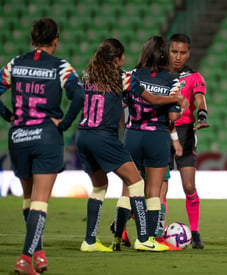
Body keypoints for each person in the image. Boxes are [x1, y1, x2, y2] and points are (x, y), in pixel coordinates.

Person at [77, 38, 186, 253]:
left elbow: (121, 102)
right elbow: (157, 103)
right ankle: (145, 238)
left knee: (101, 187)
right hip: (128, 136)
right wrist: (177, 99)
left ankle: (93, 240)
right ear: (117, 58)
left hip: (87, 135)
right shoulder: (125, 77)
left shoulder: (89, 74)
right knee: (140, 185)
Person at [0, 18, 85, 274]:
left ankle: (37, 253)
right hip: (46, 136)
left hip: (18, 137)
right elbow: (79, 95)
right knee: (40, 201)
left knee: (29, 199)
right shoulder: (61, 67)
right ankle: (25, 258)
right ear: (55, 40)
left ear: (32, 38)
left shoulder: (15, 64)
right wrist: (64, 124)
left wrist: (8, 116)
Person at [113, 35, 187, 251]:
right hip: (157, 137)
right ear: (165, 55)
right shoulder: (173, 81)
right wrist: (178, 104)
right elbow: (173, 119)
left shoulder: (132, 75)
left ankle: (117, 239)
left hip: (132, 135)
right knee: (153, 191)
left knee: (128, 189)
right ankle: (147, 239)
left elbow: (122, 105)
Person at [164, 33, 209, 249]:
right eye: (174, 51)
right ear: (167, 51)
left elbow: (200, 98)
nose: (178, 57)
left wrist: (202, 115)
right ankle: (154, 232)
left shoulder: (194, 77)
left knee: (189, 185)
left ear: (189, 53)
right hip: (161, 131)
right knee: (158, 186)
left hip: (185, 133)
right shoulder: (158, 74)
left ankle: (195, 231)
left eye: (183, 52)